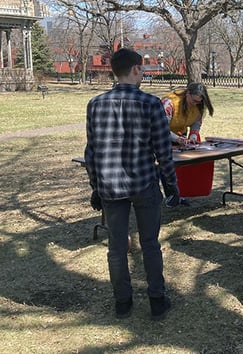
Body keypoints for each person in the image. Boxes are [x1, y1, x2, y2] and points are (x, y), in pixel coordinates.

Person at [84, 48, 178, 321]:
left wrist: (96, 187)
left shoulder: (95, 104)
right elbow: (164, 152)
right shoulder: (151, 104)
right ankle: (157, 300)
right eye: (143, 68)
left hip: (111, 186)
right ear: (136, 69)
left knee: (116, 247)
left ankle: (122, 302)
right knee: (150, 243)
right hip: (144, 184)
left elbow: (92, 152)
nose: (144, 73)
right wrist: (171, 186)